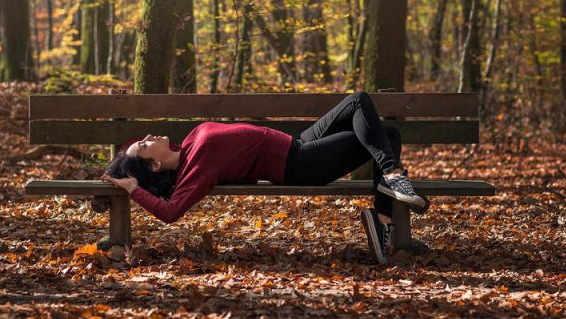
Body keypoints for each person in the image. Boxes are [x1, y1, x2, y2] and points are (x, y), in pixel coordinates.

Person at [100, 90, 426, 264]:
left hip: (296, 144)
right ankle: (392, 186)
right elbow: (170, 213)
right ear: (154, 166)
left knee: (369, 112)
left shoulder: (188, 145)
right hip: (299, 165)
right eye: (143, 146)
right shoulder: (195, 172)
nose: (146, 136)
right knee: (380, 127)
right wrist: (132, 188)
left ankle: (382, 215)